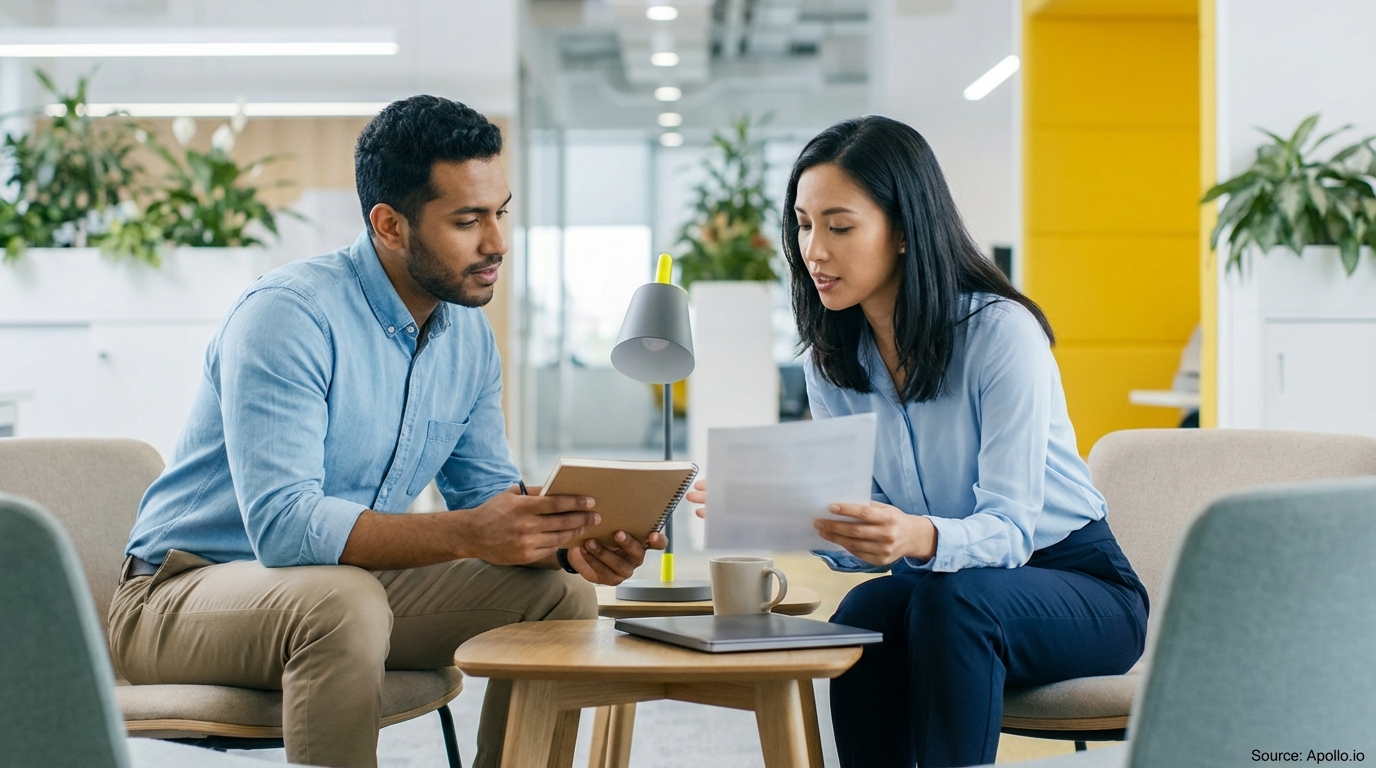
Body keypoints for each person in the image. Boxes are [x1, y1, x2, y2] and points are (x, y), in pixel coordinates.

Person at [108, 96, 664, 768]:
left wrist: (563, 541)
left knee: (558, 597)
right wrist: (473, 532)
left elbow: (485, 497)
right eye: (468, 220)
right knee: (341, 603)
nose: (497, 242)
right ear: (390, 225)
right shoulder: (289, 317)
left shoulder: (468, 337)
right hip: (179, 597)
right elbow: (286, 528)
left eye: (500, 212)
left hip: (347, 591)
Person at [688, 115, 1148, 768]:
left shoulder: (1000, 335)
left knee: (952, 601)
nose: (813, 250)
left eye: (839, 226)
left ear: (903, 230)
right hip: (947, 587)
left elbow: (1012, 530)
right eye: (803, 223)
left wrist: (916, 537)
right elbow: (867, 549)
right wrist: (789, 512)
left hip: (1077, 585)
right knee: (869, 606)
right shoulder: (833, 359)